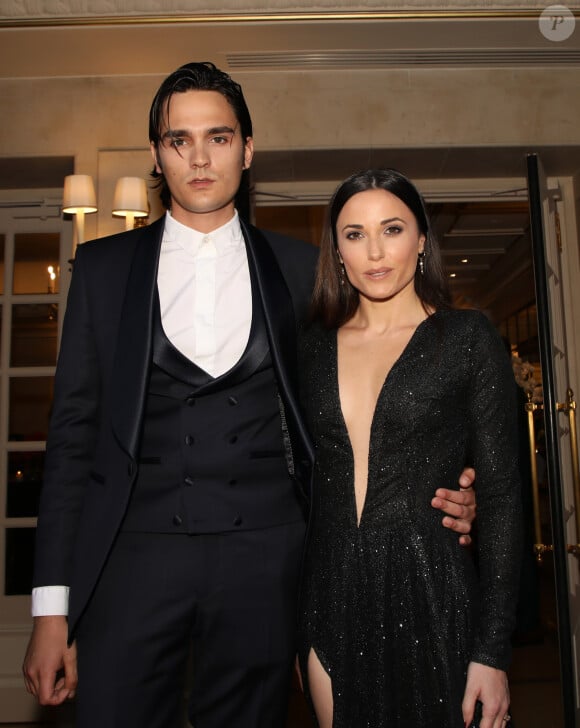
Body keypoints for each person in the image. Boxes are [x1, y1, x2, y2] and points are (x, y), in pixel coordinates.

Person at [22, 64, 476, 728]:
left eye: (220, 137)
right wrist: (50, 609)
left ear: (248, 149)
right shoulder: (103, 269)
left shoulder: (303, 269)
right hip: (131, 560)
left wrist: (448, 486)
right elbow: (70, 440)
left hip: (267, 563)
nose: (200, 157)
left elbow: (365, 395)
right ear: (157, 154)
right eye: (180, 140)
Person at [297, 169, 523, 728]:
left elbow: (500, 499)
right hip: (330, 594)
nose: (374, 251)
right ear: (337, 251)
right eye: (354, 234)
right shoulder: (309, 348)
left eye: (392, 229)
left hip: (434, 590)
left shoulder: (467, 338)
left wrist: (492, 651)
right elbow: (290, 479)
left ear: (422, 240)